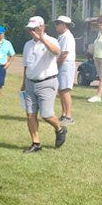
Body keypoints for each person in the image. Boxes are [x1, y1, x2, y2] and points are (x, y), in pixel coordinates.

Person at [21, 16, 67, 154]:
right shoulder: (27, 45)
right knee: (30, 115)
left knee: (46, 115)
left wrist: (42, 39)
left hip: (47, 82)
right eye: (30, 29)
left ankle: (60, 128)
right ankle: (36, 143)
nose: (32, 31)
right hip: (30, 83)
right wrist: (23, 82)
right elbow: (26, 65)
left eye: (34, 28)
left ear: (42, 27)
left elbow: (56, 52)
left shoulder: (51, 40)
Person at [55, 15, 76, 125]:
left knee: (65, 90)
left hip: (65, 64)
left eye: (57, 23)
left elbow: (64, 54)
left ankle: (68, 116)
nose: (56, 26)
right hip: (63, 64)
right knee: (61, 90)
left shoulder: (67, 36)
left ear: (63, 25)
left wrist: (57, 65)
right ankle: (64, 114)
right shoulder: (62, 36)